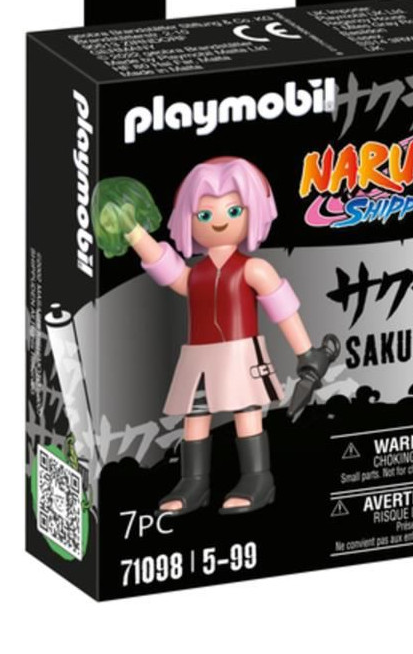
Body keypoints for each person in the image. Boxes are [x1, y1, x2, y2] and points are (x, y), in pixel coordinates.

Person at [97, 157, 332, 515]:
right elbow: (170, 270)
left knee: (247, 411)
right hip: (199, 356)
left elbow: (283, 310)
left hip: (242, 352)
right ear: (188, 220)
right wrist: (133, 231)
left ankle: (257, 478)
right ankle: (193, 482)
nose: (219, 221)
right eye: (204, 215)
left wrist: (307, 354)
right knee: (195, 415)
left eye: (234, 210)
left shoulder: (254, 269)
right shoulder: (196, 275)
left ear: (253, 212)